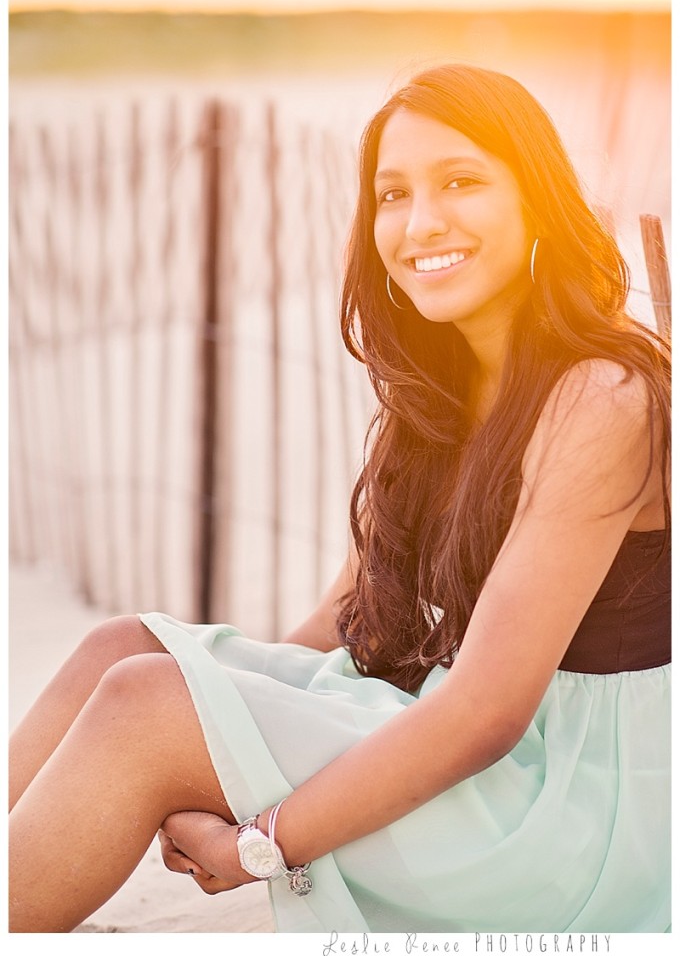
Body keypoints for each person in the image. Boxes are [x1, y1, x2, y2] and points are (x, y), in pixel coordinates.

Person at [9, 64, 670, 934]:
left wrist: (262, 839)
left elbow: (487, 714)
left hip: (574, 809)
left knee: (145, 707)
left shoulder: (602, 394)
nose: (421, 221)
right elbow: (344, 617)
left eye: (461, 182)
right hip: (460, 735)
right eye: (392, 194)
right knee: (126, 650)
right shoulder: (437, 392)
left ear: (537, 200)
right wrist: (221, 735)